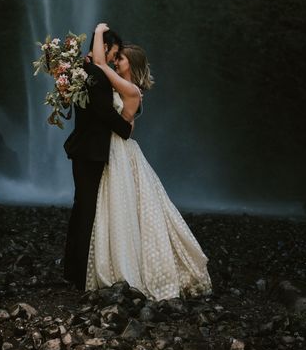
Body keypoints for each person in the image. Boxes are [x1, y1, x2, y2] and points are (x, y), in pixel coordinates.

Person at [85, 22, 212, 301]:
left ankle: (126, 269)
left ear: (132, 64)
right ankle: (119, 264)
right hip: (117, 147)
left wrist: (98, 32)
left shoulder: (130, 89)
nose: (114, 60)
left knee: (122, 205)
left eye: (119, 58)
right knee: (120, 206)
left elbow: (97, 64)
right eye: (115, 56)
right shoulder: (120, 86)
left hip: (120, 151)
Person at [63, 27, 133, 291]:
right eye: (114, 54)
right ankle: (80, 273)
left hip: (85, 149)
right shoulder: (95, 75)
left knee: (82, 207)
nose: (115, 60)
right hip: (90, 151)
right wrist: (126, 129)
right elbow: (104, 112)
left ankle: (73, 269)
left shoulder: (84, 70)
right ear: (104, 48)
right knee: (87, 210)